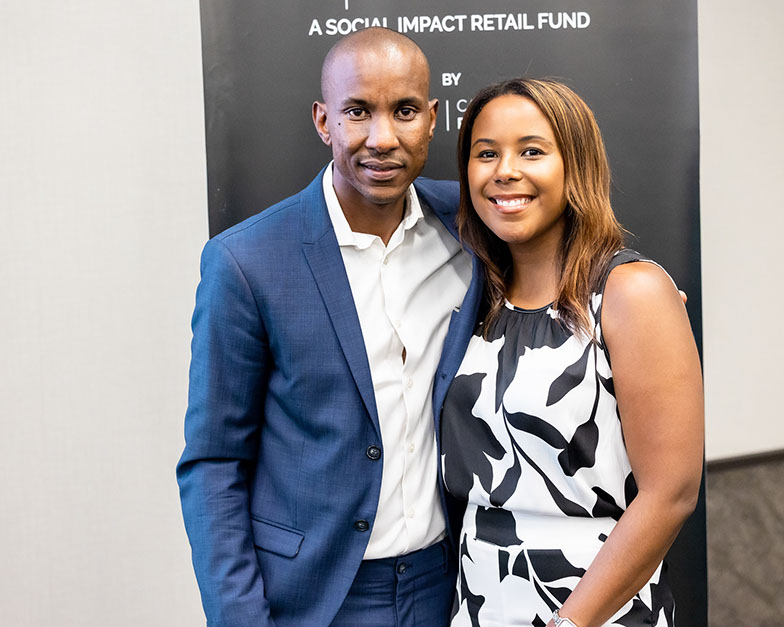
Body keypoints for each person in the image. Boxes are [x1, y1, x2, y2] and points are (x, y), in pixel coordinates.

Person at [176, 27, 483, 626]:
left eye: (404, 111)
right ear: (324, 121)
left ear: (432, 119)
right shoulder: (246, 261)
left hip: (447, 584)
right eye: (357, 112)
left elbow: (564, 254)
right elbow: (213, 462)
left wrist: (637, 293)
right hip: (315, 596)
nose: (382, 138)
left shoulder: (471, 228)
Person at [440, 78, 704, 626]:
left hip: (596, 605)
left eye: (531, 151)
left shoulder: (630, 292)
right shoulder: (475, 299)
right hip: (481, 602)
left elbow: (671, 494)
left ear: (575, 166)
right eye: (485, 154)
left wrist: (569, 623)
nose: (504, 170)